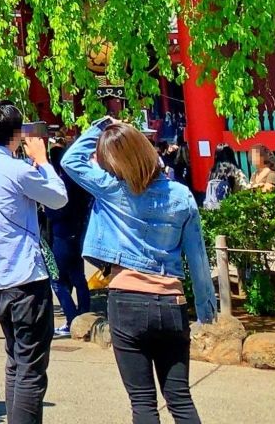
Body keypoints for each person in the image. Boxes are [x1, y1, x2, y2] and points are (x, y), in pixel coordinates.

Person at [62, 119, 218, 424]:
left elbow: (71, 160)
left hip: (127, 300)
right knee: (180, 399)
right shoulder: (182, 195)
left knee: (143, 403)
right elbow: (197, 256)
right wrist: (204, 306)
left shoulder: (113, 189)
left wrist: (102, 125)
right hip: (171, 302)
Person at [0, 104, 68, 424]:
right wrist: (43, 160)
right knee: (32, 369)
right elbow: (58, 197)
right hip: (25, 277)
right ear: (17, 135)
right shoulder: (18, 169)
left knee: (15, 360)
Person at [47, 142, 92, 338]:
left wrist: (46, 208)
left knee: (57, 281)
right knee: (78, 277)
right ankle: (84, 314)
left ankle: (72, 318)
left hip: (62, 234)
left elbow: (57, 210)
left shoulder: (61, 183)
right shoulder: (79, 181)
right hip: (78, 232)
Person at [202, 146, 243, 210]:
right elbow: (244, 189)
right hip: (232, 210)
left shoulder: (212, 173)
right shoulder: (235, 171)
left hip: (213, 211)